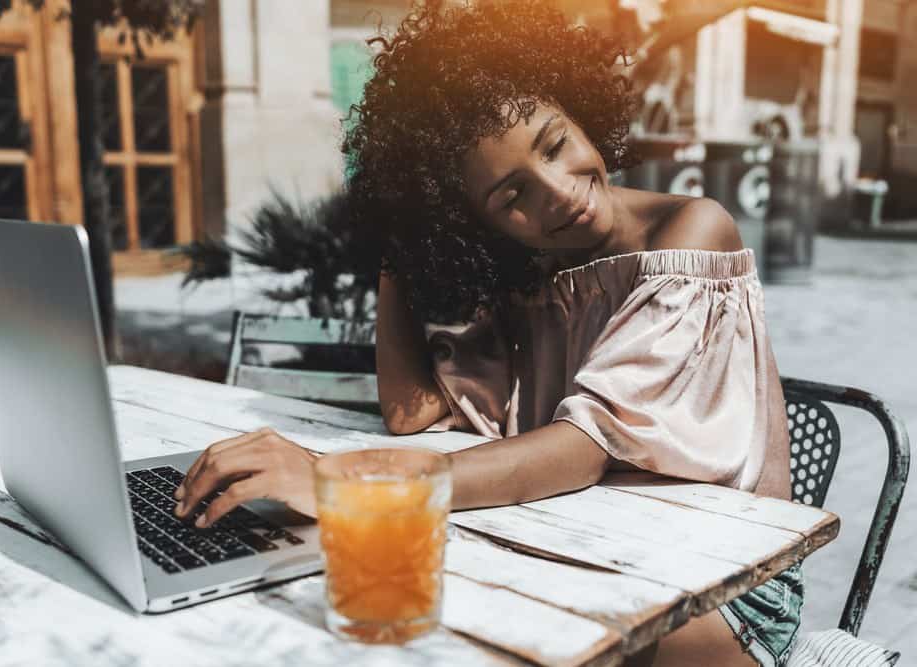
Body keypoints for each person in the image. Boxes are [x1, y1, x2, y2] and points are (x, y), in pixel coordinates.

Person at [174, 2, 800, 665]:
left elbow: (580, 449)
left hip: (723, 587)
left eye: (556, 144)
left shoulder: (690, 235)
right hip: (581, 544)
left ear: (578, 107)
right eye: (511, 197)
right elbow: (411, 414)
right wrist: (402, 244)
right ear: (478, 224)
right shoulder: (525, 272)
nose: (556, 193)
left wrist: (343, 480)